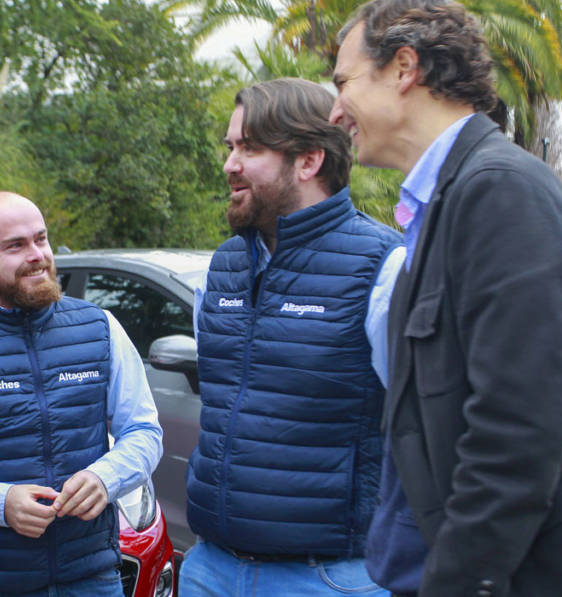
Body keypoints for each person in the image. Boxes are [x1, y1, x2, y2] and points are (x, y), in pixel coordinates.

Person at [331, 1, 562, 595]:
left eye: (343, 83)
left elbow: (518, 434)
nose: (336, 111)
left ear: (404, 67)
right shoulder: (444, 204)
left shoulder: (500, 192)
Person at [180, 78, 404, 596]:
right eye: (231, 146)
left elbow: (428, 423)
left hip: (328, 578)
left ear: (308, 161)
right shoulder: (225, 265)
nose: (229, 164)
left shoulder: (384, 268)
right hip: (209, 569)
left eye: (250, 148)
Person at [0, 191, 163, 597]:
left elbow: (145, 432)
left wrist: (105, 478)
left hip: (92, 578)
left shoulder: (101, 328)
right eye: (15, 246)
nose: (37, 254)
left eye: (41, 239)